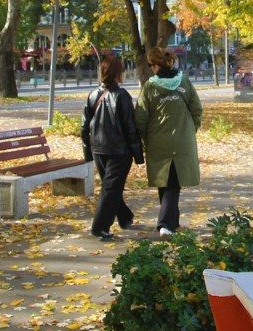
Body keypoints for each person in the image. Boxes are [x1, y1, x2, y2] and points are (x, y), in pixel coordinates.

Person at [134, 47, 203, 236]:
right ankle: (168, 223)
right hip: (182, 141)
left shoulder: (149, 87)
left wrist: (146, 136)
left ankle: (168, 223)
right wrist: (189, 129)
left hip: (158, 142)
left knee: (166, 181)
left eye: (150, 65)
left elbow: (140, 117)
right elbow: (196, 109)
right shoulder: (185, 82)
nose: (150, 69)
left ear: (156, 65)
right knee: (173, 181)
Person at [81, 56, 144, 241]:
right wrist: (138, 154)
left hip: (99, 149)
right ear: (118, 73)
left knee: (111, 188)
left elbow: (84, 126)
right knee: (110, 189)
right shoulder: (122, 96)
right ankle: (99, 227)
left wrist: (88, 152)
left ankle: (125, 217)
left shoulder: (93, 95)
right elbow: (130, 128)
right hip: (118, 152)